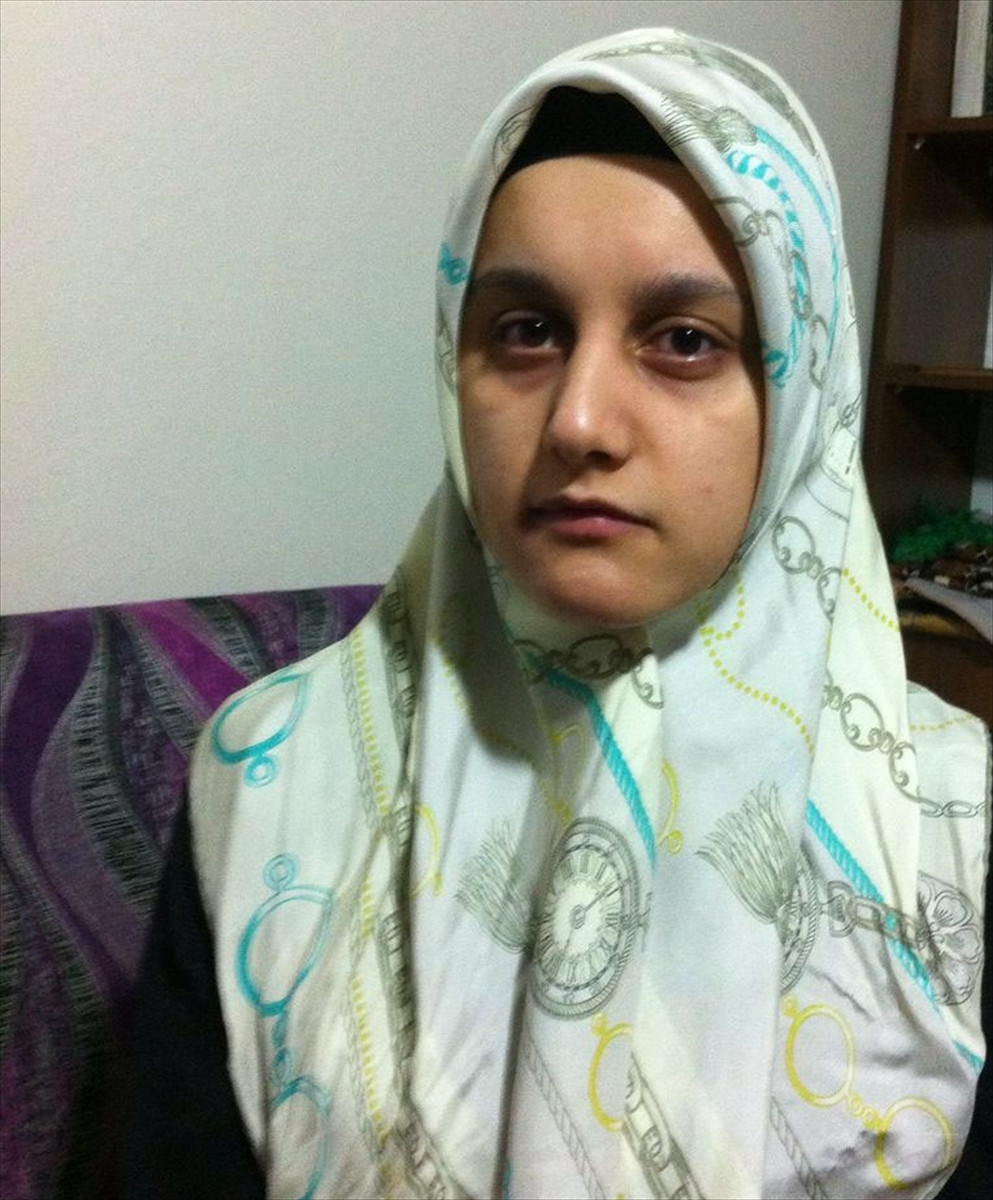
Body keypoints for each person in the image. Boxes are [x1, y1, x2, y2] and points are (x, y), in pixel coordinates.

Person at [123, 28, 990, 1199]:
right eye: (526, 331)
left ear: (798, 386)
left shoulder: (952, 824)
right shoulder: (276, 779)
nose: (580, 421)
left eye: (684, 341)